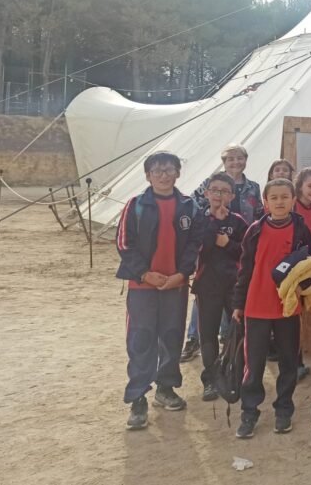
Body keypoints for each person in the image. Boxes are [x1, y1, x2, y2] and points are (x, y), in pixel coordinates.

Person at [117, 151, 201, 430]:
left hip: (175, 286)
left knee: (171, 336)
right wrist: (144, 273)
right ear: (148, 176)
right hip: (142, 286)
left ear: (178, 173)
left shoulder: (189, 206)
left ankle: (166, 388)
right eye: (157, 171)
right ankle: (137, 397)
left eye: (169, 170)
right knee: (141, 338)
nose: (164, 175)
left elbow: (195, 244)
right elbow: (124, 243)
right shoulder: (136, 205)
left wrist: (182, 274)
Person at [231, 178, 311, 438]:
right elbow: (245, 268)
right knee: (254, 364)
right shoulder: (255, 230)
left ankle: (283, 409)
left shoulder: (301, 229)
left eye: (285, 197)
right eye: (274, 198)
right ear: (265, 202)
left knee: (289, 361)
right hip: (256, 306)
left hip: (287, 307)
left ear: (293, 200)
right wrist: (238, 303)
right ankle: (249, 411)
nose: (279, 202)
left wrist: (302, 287)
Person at [183, 143, 263, 362]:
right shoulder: (204, 202)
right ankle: (198, 348)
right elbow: (199, 244)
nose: (236, 162)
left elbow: (255, 225)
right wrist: (213, 221)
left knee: (236, 324)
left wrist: (228, 242)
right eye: (230, 159)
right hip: (208, 277)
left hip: (234, 270)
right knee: (206, 323)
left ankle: (232, 369)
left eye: (240, 158)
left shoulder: (252, 189)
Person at [191, 172, 248, 401]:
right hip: (207, 285)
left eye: (225, 191)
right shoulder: (199, 220)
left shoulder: (239, 222)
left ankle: (235, 375)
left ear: (232, 196)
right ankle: (211, 380)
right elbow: (201, 250)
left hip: (234, 285)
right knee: (208, 333)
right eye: (215, 190)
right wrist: (214, 222)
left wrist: (227, 243)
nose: (219, 195)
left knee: (239, 331)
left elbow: (247, 254)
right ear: (206, 193)